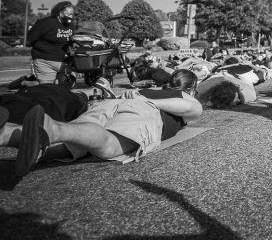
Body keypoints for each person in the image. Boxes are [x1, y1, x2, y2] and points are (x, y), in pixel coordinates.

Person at [9, 69, 203, 177]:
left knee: (72, 143)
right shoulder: (184, 95)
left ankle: (7, 134)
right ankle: (54, 129)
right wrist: (149, 102)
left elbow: (119, 99)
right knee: (108, 145)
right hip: (145, 111)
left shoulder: (148, 90)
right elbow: (193, 109)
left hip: (113, 103)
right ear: (192, 87)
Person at [23, 1, 75, 85]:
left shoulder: (70, 25)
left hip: (62, 62)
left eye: (72, 14)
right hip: (45, 61)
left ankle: (30, 82)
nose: (70, 17)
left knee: (62, 86)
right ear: (61, 13)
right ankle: (24, 83)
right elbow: (30, 39)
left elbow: (71, 40)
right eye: (68, 14)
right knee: (47, 88)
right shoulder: (45, 23)